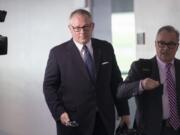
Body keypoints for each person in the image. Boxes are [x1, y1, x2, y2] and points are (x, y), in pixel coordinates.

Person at [43, 9, 130, 135]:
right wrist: (59, 112)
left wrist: (124, 111)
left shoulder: (105, 48)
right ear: (70, 28)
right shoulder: (57, 53)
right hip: (73, 121)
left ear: (92, 26)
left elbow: (116, 82)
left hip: (104, 119)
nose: (82, 32)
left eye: (86, 27)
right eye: (77, 28)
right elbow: (49, 86)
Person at [117, 25, 180, 135]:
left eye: (171, 44)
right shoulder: (141, 67)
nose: (165, 48)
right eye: (161, 43)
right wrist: (141, 85)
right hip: (149, 130)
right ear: (155, 44)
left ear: (177, 46)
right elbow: (120, 91)